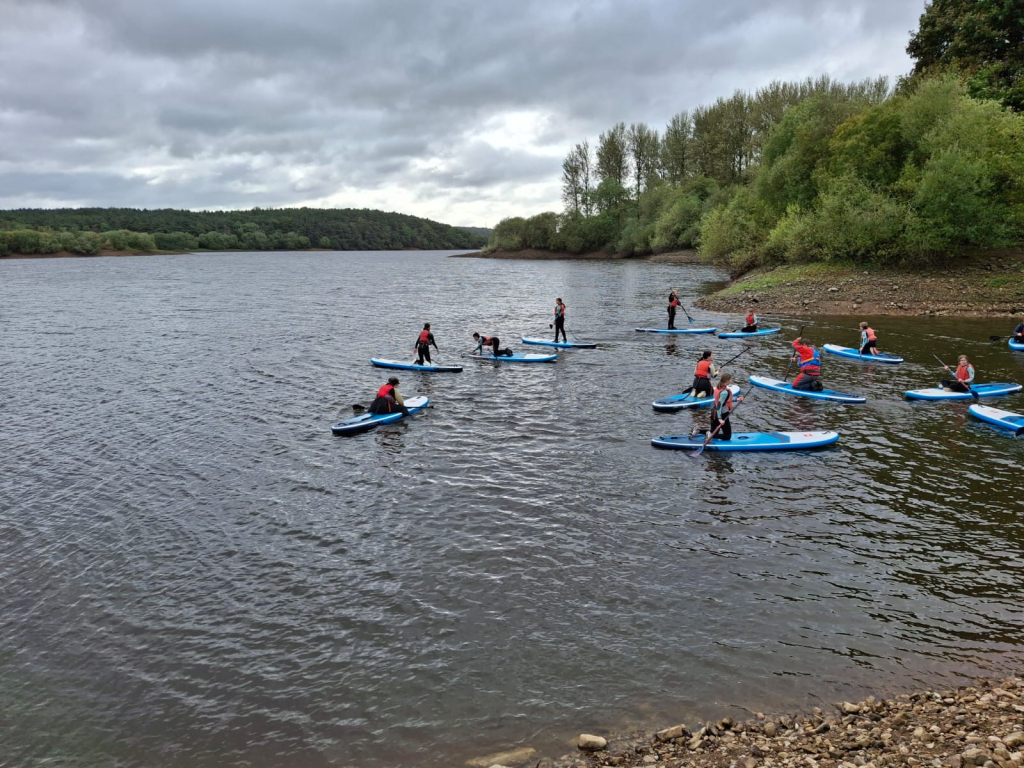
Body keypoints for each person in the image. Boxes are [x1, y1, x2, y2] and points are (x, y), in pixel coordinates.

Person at [692, 372, 744, 441]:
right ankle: (709, 434)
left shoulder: (718, 388)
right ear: (727, 381)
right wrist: (720, 419)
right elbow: (720, 404)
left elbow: (725, 400)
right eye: (730, 379)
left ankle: (698, 430)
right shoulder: (725, 392)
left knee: (713, 432)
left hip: (714, 413)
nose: (731, 381)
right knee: (727, 436)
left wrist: (737, 399)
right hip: (722, 414)